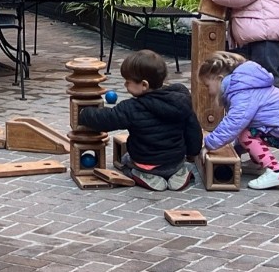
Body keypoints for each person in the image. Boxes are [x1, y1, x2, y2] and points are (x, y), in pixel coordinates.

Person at [77, 50, 201, 191]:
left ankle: (143, 175)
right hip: (175, 161)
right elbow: (193, 129)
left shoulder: (132, 108)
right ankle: (180, 173)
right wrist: (192, 152)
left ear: (144, 85)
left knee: (125, 160)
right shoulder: (181, 101)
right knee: (174, 163)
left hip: (146, 163)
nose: (125, 85)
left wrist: (84, 113)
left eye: (128, 82)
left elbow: (107, 119)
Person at [197, 51, 279, 190]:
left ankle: (276, 171)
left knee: (246, 134)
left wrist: (209, 144)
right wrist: (234, 150)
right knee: (245, 130)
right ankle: (257, 162)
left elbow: (234, 123)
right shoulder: (245, 84)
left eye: (207, 86)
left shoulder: (242, 92)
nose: (208, 91)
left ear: (220, 79)